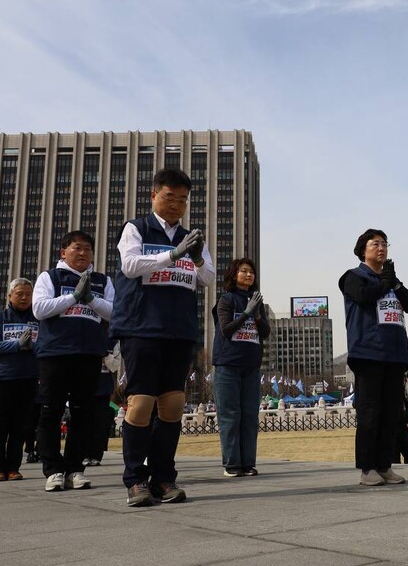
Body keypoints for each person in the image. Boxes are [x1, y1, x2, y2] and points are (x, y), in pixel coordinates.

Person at [111, 168, 214, 506]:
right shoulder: (136, 228)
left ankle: (163, 478)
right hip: (142, 327)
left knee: (172, 405)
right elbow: (130, 265)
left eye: (183, 200)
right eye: (170, 197)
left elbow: (207, 278)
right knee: (140, 403)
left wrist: (196, 256)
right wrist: (172, 254)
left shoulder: (191, 236)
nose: (176, 205)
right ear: (154, 195)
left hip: (179, 329)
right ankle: (135, 480)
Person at [33, 231, 114, 493]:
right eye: (77, 248)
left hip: (89, 353)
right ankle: (53, 469)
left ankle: (75, 468)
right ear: (63, 252)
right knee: (51, 411)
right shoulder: (50, 277)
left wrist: (90, 298)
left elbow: (115, 312)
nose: (83, 254)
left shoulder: (102, 281)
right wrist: (73, 297)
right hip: (55, 353)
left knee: (83, 413)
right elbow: (40, 309)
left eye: (88, 249)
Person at [339, 228, 408, 486]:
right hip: (368, 353)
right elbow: (363, 297)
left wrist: (395, 283)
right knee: (370, 412)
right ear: (363, 249)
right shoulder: (353, 276)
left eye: (385, 244)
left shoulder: (391, 280)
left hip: (394, 355)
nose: (381, 248)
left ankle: (385, 465)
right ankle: (367, 468)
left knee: (391, 414)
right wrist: (385, 282)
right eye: (375, 244)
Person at [211, 257, 270, 477]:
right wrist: (246, 312)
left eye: (251, 272)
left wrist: (256, 314)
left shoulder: (257, 302)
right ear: (234, 275)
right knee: (230, 415)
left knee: (249, 415)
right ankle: (232, 463)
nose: (248, 275)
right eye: (243, 271)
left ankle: (248, 463)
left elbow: (264, 332)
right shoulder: (226, 299)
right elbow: (226, 329)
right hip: (228, 364)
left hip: (251, 365)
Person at [0, 278, 39, 482]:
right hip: (2, 378)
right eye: (20, 294)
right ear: (10, 296)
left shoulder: (38, 318)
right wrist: (17, 345)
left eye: (28, 294)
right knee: (0, 425)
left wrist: (34, 346)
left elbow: (45, 343)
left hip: (29, 377)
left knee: (21, 426)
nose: (24, 298)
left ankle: (14, 467)